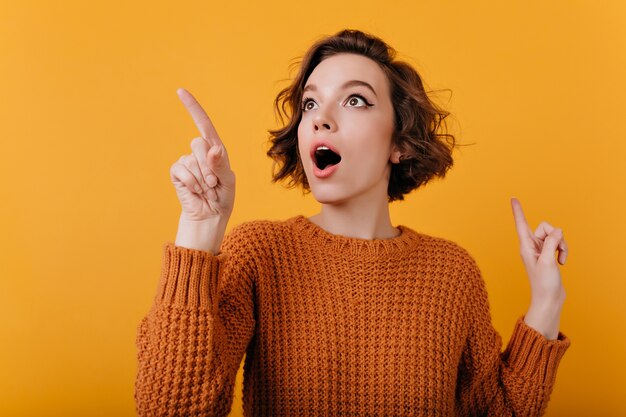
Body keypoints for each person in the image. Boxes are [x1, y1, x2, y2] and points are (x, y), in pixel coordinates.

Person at [134, 29, 571, 416]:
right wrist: (199, 230)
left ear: (399, 141)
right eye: (310, 104)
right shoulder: (260, 252)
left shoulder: (451, 273)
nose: (321, 117)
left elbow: (495, 412)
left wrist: (547, 302)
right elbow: (169, 408)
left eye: (355, 99)